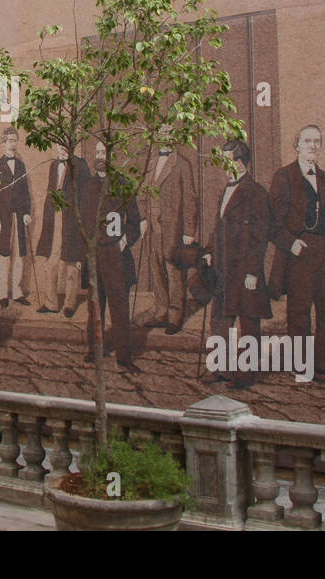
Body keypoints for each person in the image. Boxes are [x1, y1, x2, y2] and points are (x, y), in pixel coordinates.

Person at [269, 125, 325, 379]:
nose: (313, 146)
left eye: (317, 141)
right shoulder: (284, 176)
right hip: (298, 251)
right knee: (300, 311)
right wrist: (291, 243)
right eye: (307, 141)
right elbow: (273, 221)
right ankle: (302, 365)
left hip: (322, 252)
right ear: (297, 146)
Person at [203, 140, 271, 389]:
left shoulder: (257, 192)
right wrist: (209, 251)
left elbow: (260, 235)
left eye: (226, 160)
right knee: (220, 319)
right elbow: (218, 226)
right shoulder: (226, 189)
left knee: (249, 321)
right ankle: (221, 369)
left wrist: (253, 271)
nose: (222, 165)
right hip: (223, 268)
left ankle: (246, 374)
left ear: (240, 163)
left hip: (244, 270)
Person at [81, 141, 142, 374]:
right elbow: (82, 222)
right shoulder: (87, 186)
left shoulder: (124, 184)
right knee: (95, 307)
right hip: (94, 254)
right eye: (96, 152)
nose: (99, 156)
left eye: (103, 152)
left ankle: (124, 357)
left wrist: (124, 241)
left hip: (117, 257)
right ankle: (94, 350)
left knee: (119, 308)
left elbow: (134, 222)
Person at [140, 132, 199, 333]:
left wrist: (189, 229)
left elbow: (190, 198)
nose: (165, 137)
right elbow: (143, 192)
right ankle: (161, 312)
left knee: (174, 271)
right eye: (161, 133)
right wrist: (143, 218)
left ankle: (175, 316)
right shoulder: (151, 162)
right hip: (153, 228)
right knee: (156, 270)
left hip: (172, 227)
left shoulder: (181, 164)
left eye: (168, 133)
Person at [35, 144, 90, 316]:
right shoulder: (53, 165)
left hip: (72, 220)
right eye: (59, 145)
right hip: (54, 219)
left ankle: (70, 304)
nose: (62, 148)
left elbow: (87, 194)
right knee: (51, 263)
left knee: (71, 264)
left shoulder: (80, 165)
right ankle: (51, 303)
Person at [0, 126, 31, 308]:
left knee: (19, 256)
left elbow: (25, 193)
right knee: (2, 255)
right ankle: (2, 294)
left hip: (19, 217)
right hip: (3, 218)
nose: (13, 144)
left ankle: (17, 292)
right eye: (10, 140)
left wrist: (27, 213)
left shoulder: (21, 165)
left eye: (15, 140)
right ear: (3, 142)